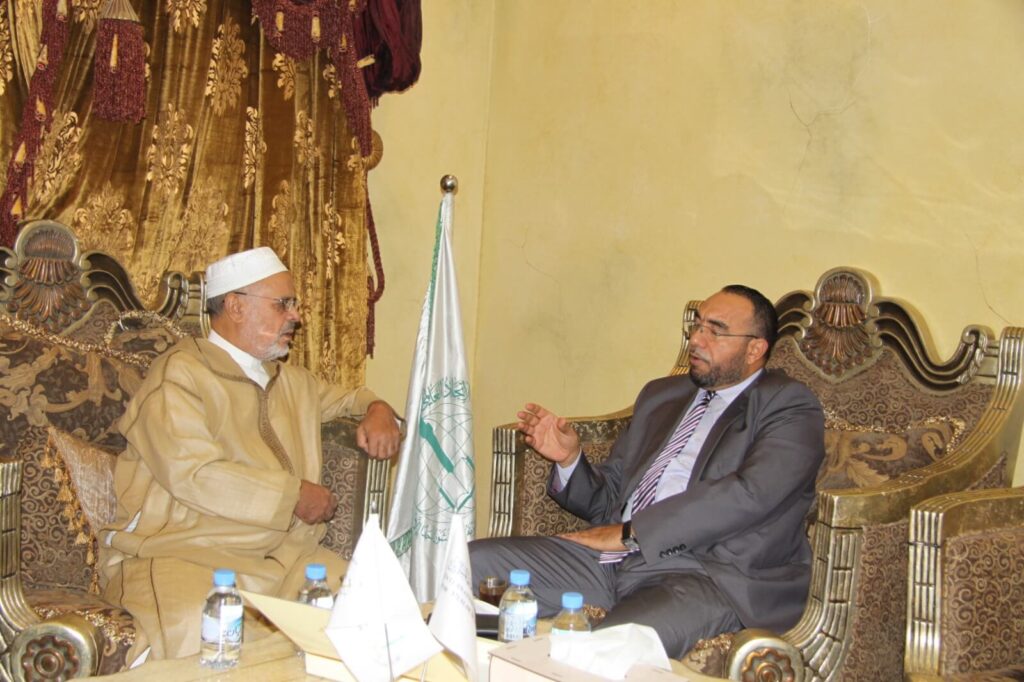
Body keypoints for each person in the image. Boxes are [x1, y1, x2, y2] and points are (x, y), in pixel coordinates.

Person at [470, 285, 825, 658]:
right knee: (472, 565)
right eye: (697, 325)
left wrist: (633, 534)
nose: (696, 339)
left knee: (609, 649)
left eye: (715, 331)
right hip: (609, 563)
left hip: (703, 574)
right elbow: (609, 497)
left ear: (755, 349)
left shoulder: (788, 406)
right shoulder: (662, 396)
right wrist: (570, 459)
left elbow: (750, 494)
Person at [98, 247, 401, 661]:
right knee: (201, 632)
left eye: (293, 304)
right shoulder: (180, 374)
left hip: (287, 560)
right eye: (282, 304)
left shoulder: (293, 382)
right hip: (185, 554)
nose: (296, 316)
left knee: (378, 612)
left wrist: (379, 410)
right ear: (236, 306)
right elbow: (194, 474)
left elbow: (352, 399)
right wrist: (293, 496)